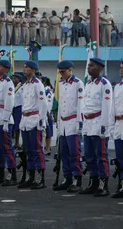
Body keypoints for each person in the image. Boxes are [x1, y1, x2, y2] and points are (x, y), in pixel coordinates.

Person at [80, 58, 112, 197]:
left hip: (99, 121)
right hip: (88, 123)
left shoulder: (104, 84)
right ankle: (93, 182)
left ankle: (103, 184)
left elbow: (107, 107)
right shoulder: (88, 83)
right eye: (88, 66)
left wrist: (104, 126)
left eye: (91, 66)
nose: (88, 68)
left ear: (99, 68)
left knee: (101, 155)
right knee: (89, 155)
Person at [53, 60, 84, 192]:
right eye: (60, 72)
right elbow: (61, 104)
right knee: (63, 153)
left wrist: (79, 122)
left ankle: (77, 179)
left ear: (70, 70)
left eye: (63, 71)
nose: (61, 74)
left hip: (73, 122)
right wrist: (58, 122)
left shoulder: (78, 83)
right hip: (63, 122)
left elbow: (80, 105)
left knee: (74, 153)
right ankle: (67, 178)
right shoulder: (60, 83)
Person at [18, 61, 47, 189]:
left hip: (34, 119)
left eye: (27, 68)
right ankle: (31, 177)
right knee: (28, 150)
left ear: (33, 70)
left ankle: (40, 178)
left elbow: (43, 103)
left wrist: (42, 120)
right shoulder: (25, 85)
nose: (24, 69)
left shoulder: (37, 84)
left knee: (37, 150)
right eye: (24, 67)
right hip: (25, 119)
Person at [110, 61, 123, 198]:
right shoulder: (118, 87)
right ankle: (121, 185)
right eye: (120, 68)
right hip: (119, 124)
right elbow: (113, 108)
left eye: (122, 68)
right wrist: (112, 126)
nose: (120, 70)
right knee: (120, 158)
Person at [11, 73, 23, 149]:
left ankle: (19, 142)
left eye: (15, 78)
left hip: (19, 107)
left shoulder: (21, 87)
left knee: (18, 126)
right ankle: (16, 142)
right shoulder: (13, 87)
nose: (13, 80)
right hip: (13, 108)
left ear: (19, 79)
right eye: (13, 78)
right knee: (14, 125)